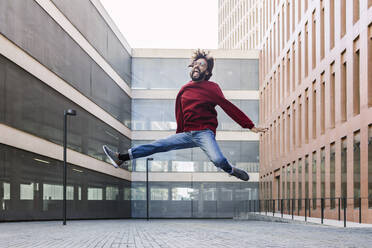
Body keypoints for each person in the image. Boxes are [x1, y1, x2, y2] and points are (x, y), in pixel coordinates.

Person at [103, 49, 267, 181]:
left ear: (207, 70)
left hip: (204, 133)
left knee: (218, 160)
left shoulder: (212, 87)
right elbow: (180, 113)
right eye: (195, 64)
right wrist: (179, 134)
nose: (197, 66)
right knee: (157, 145)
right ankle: (121, 157)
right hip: (187, 134)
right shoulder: (184, 90)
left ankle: (231, 170)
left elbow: (227, 106)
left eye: (201, 65)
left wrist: (249, 125)